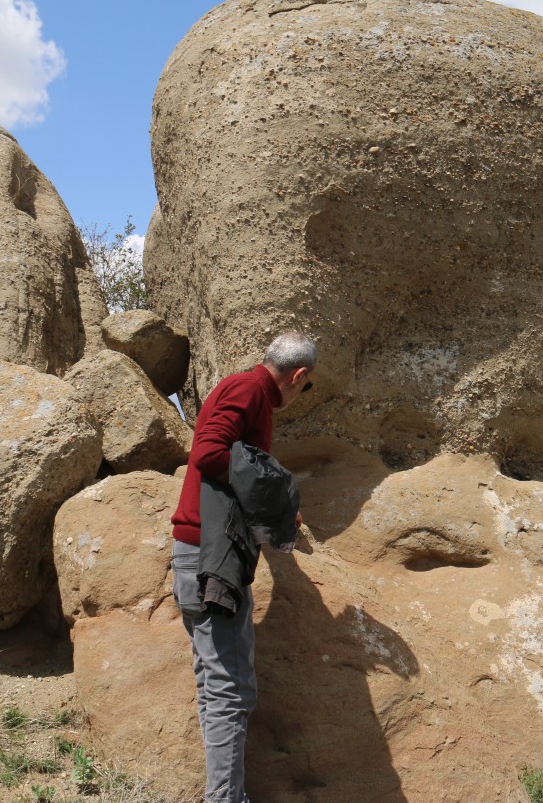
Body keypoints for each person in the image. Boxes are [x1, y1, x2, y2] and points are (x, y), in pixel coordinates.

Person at [170, 331, 317, 803]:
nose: (300, 393)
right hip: (212, 560)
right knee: (231, 690)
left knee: (217, 685)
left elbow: (228, 463)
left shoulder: (243, 391)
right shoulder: (248, 390)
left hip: (204, 554)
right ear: (298, 376)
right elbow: (209, 453)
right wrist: (275, 488)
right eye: (306, 387)